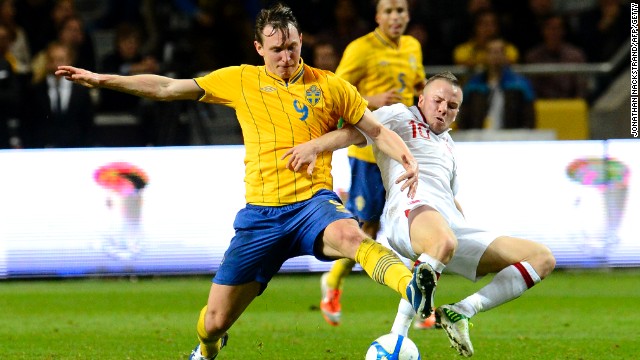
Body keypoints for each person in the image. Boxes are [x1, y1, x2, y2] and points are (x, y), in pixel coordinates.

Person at [56, 3, 435, 360]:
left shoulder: (332, 86)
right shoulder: (240, 80)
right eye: (276, 50)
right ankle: (206, 349)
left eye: (291, 46)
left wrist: (407, 158)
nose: (285, 57)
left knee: (353, 237)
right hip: (261, 216)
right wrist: (104, 80)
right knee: (213, 322)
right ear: (259, 48)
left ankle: (412, 286)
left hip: (311, 204)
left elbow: (373, 129)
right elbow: (168, 88)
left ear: (301, 40)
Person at [287, 71, 556, 357]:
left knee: (541, 258)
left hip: (447, 225)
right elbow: (353, 133)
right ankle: (398, 334)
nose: (443, 109)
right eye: (438, 101)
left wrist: (463, 228)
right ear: (422, 99)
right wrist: (314, 146)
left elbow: (450, 197)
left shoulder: (449, 147)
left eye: (451, 106)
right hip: (410, 211)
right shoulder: (398, 115)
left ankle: (461, 311)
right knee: (442, 242)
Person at [317, 0, 427, 329]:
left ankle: (419, 301)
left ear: (408, 16)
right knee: (367, 229)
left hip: (404, 150)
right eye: (389, 11)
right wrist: (371, 100)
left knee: (417, 219)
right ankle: (332, 283)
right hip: (368, 152)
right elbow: (334, 93)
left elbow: (418, 85)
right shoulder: (360, 48)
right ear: (378, 17)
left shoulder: (412, 46)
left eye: (401, 11)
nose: (396, 17)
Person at [457, 37, 536, 130]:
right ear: (485, 56)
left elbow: (529, 120)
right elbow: (463, 120)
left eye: (499, 51)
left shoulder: (521, 85)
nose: (496, 55)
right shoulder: (472, 85)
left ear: (505, 56)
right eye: (491, 51)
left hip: (512, 139)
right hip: (479, 140)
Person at [26, 41, 94, 148]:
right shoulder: (35, 90)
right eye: (52, 60)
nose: (57, 65)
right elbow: (28, 124)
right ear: (47, 62)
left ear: (70, 61)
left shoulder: (81, 91)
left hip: (75, 149)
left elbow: (87, 124)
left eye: (61, 60)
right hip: (42, 150)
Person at [524, 14, 588, 99]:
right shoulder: (533, 57)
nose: (554, 32)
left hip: (570, 106)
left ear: (563, 31)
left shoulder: (575, 56)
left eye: (558, 28)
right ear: (543, 31)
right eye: (550, 28)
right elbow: (530, 90)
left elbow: (581, 89)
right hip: (541, 106)